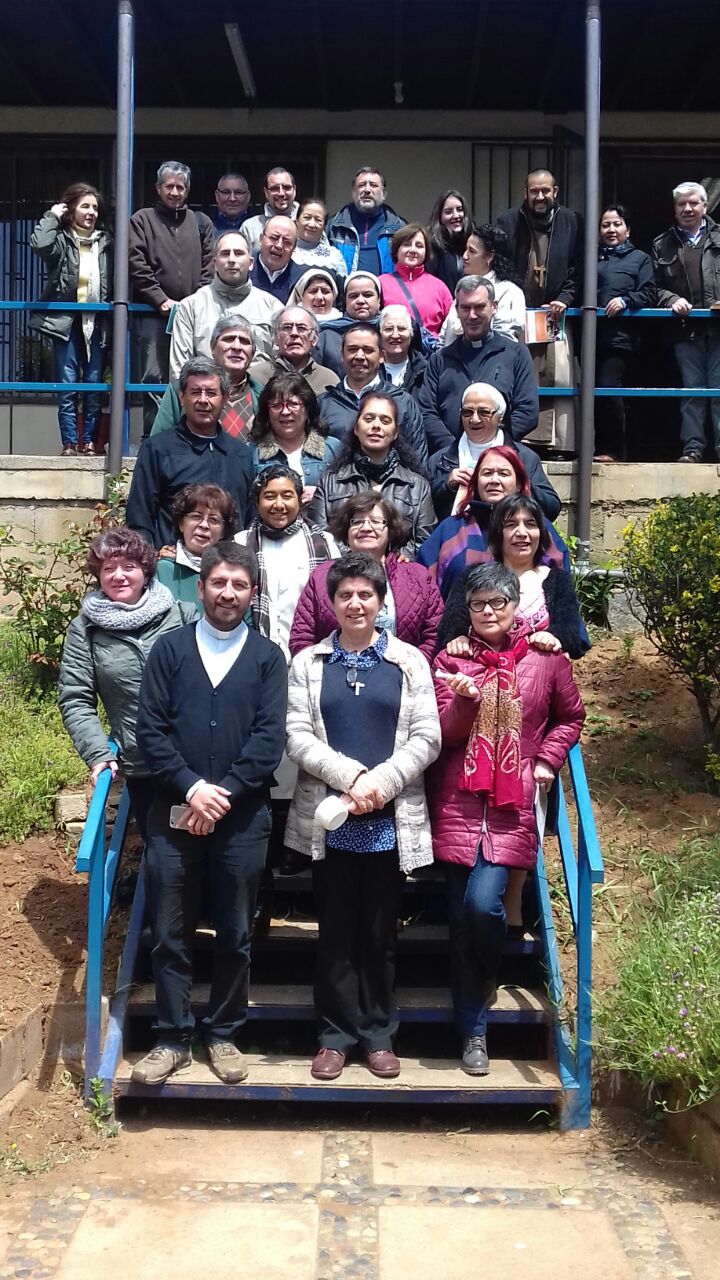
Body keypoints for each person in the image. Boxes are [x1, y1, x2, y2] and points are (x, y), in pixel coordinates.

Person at [132, 542, 288, 1085]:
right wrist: (192, 789)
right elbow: (149, 731)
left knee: (234, 931)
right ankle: (172, 1037)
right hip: (171, 813)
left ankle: (223, 1034)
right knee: (169, 931)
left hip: (242, 820)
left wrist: (219, 797)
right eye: (218, 582)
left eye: (239, 585)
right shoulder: (169, 651)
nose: (228, 593)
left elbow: (270, 741)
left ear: (252, 593)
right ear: (199, 588)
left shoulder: (269, 659)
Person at [284, 551, 441, 1081]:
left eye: (365, 595)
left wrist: (381, 782)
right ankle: (333, 1037)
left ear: (381, 602)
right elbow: (296, 735)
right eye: (345, 594)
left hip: (388, 821)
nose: (355, 603)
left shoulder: (410, 662)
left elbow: (428, 737)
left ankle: (377, 1035)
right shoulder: (309, 664)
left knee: (380, 934)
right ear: (330, 604)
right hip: (330, 823)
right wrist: (352, 776)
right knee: (333, 932)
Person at [429, 562, 584, 1074]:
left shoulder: (546, 658)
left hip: (512, 802)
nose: (490, 611)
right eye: (479, 604)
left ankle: (488, 975)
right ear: (466, 610)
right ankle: (473, 1034)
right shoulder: (450, 662)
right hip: (457, 801)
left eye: (499, 602)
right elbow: (445, 737)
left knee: (482, 907)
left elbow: (570, 717)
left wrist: (547, 759)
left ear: (517, 604)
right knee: (459, 921)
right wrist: (465, 704)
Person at [58, 528, 198, 845]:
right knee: (163, 852)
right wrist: (97, 753)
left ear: (146, 571)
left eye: (129, 566)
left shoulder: (181, 615)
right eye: (109, 568)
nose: (119, 576)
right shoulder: (85, 630)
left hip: (197, 756)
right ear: (98, 575)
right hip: (142, 762)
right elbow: (75, 699)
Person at [290, 492, 443, 661]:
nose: (366, 528)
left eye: (376, 521)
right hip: (333, 680)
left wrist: (409, 670)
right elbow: (302, 637)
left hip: (402, 679)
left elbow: (435, 634)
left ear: (390, 530)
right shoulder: (321, 576)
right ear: (346, 531)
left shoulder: (418, 577)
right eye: (357, 522)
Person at [126, 357, 255, 548]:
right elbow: (140, 519)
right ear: (181, 397)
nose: (203, 400)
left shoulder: (241, 454)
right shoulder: (157, 449)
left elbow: (250, 519)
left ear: (225, 398)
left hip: (228, 569)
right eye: (195, 392)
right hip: (173, 569)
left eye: (211, 393)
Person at [497, 170, 583, 453]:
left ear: (555, 192)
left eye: (545, 191)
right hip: (519, 314)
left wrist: (565, 298)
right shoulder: (509, 222)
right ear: (526, 193)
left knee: (559, 375)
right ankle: (521, 441)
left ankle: (561, 444)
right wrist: (512, 298)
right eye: (534, 191)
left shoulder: (571, 221)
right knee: (523, 374)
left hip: (556, 313)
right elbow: (500, 264)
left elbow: (578, 267)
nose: (540, 197)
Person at [129, 161, 214, 437]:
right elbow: (136, 262)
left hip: (195, 314)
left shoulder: (201, 222)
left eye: (180, 187)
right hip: (153, 315)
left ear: (187, 190)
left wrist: (196, 301)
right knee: (153, 378)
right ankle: (154, 439)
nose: (175, 192)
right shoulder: (142, 220)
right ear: (158, 188)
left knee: (197, 375)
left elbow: (210, 265)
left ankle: (190, 435)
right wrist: (159, 298)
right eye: (170, 186)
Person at [416, 445, 568, 599]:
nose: (494, 480)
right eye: (487, 473)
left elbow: (563, 599)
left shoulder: (538, 529)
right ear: (475, 483)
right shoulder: (450, 529)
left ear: (519, 484)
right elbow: (422, 590)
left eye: (504, 473)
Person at [30, 183, 112, 456]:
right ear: (71, 209)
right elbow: (40, 245)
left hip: (96, 321)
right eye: (85, 206)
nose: (90, 212)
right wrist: (52, 217)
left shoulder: (105, 242)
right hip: (65, 321)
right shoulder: (61, 241)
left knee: (93, 383)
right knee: (67, 385)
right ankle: (68, 443)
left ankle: (88, 442)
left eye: (94, 208)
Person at [418, 277, 539, 453]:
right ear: (456, 310)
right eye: (465, 308)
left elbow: (527, 412)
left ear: (494, 306)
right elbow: (426, 412)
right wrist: (455, 449)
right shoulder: (439, 360)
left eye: (479, 307)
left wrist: (490, 446)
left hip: (500, 458)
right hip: (449, 460)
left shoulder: (516, 355)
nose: (472, 315)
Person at [309, 393, 436, 553]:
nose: (376, 426)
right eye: (369, 419)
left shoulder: (417, 486)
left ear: (396, 432)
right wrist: (354, 561)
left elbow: (424, 541)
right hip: (343, 572)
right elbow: (319, 535)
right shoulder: (330, 482)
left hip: (397, 573)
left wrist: (394, 562)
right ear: (356, 428)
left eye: (385, 420)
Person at [235, 464, 338, 659]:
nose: (279, 505)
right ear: (257, 503)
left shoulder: (325, 544)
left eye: (287, 496)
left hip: (311, 657)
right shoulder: (240, 543)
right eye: (270, 496)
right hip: (252, 656)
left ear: (299, 500)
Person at [651, 181, 720, 462]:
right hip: (685, 329)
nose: (688, 209)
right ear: (675, 209)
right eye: (682, 204)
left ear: (705, 206)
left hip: (718, 329)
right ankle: (693, 448)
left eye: (693, 203)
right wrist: (670, 300)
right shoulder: (662, 243)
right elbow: (651, 286)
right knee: (692, 390)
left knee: (719, 388)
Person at [428, 383, 561, 521]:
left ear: (500, 417)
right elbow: (421, 511)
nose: (474, 419)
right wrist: (446, 486)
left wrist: (521, 484)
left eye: (484, 412)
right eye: (467, 412)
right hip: (456, 538)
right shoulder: (440, 460)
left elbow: (552, 509)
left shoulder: (525, 458)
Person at [168, 231, 281, 379]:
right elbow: (179, 369)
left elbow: (281, 365)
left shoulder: (274, 308)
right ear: (214, 263)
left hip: (260, 396)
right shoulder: (190, 307)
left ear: (251, 263)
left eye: (239, 253)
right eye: (225, 253)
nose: (232, 259)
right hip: (205, 396)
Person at [595, 204, 656, 461]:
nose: (611, 229)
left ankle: (615, 450)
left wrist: (626, 300)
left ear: (627, 230)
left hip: (620, 338)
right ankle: (597, 448)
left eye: (617, 224)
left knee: (609, 389)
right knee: (593, 393)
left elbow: (649, 292)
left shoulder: (639, 259)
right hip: (589, 338)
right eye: (606, 224)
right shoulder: (591, 257)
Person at [318, 323, 428, 462]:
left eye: (367, 350)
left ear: (381, 356)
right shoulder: (324, 403)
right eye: (352, 349)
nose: (359, 356)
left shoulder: (402, 402)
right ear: (342, 355)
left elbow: (418, 459)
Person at [153, 316, 265, 443]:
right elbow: (157, 446)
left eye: (245, 342)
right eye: (228, 339)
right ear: (212, 347)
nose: (237, 347)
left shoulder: (263, 396)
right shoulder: (180, 390)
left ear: (253, 352)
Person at [250, 372, 342, 508]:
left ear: (307, 408)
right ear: (267, 412)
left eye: (293, 404)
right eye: (276, 405)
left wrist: (321, 495)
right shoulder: (251, 453)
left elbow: (348, 495)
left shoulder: (333, 448)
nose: (285, 412)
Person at [441, 224, 526, 345]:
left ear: (489, 257)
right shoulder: (462, 289)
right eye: (466, 249)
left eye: (472, 251)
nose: (464, 256)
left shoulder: (510, 292)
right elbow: (444, 335)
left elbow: (506, 342)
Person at [155, 483, 238, 605]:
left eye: (213, 520)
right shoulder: (161, 570)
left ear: (223, 531)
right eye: (196, 517)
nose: (204, 525)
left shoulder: (233, 573)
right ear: (181, 524)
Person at [378, 222, 453, 338]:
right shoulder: (381, 283)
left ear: (426, 252)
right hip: (392, 350)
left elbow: (452, 325)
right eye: (407, 244)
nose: (413, 250)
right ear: (396, 250)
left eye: (419, 246)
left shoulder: (439, 287)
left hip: (429, 354)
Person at [326, 167, 405, 275]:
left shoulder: (400, 229)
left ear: (384, 194)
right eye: (361, 185)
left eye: (373, 185)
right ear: (353, 193)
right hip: (345, 291)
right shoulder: (334, 227)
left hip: (386, 291)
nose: (367, 190)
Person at [313, 271, 382, 376]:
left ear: (379, 300)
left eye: (367, 295)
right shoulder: (326, 337)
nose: (360, 301)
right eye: (354, 296)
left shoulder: (389, 332)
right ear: (345, 301)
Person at [270, 306, 340, 397]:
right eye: (287, 327)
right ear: (275, 337)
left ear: (314, 339)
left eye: (302, 328)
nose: (294, 333)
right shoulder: (257, 377)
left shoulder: (329, 380)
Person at [242, 167, 299, 255]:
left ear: (294, 190)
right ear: (266, 193)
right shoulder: (250, 227)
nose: (281, 193)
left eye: (286, 187)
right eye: (275, 188)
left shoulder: (309, 225)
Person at [426, 189, 474, 293]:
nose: (456, 216)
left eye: (460, 210)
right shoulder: (433, 247)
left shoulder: (474, 242)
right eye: (448, 212)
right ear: (439, 217)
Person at [249, 215, 305, 303]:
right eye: (274, 238)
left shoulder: (301, 279)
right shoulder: (245, 270)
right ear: (261, 239)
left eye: (287, 242)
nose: (279, 245)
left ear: (294, 247)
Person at [292, 198, 348, 280]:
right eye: (307, 217)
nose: (312, 224)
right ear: (297, 220)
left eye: (318, 220)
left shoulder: (334, 255)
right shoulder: (286, 251)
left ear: (324, 225)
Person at [379, 304, 427, 399]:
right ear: (379, 336)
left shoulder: (425, 372)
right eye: (388, 329)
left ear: (411, 334)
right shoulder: (370, 370)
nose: (395, 335)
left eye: (401, 328)